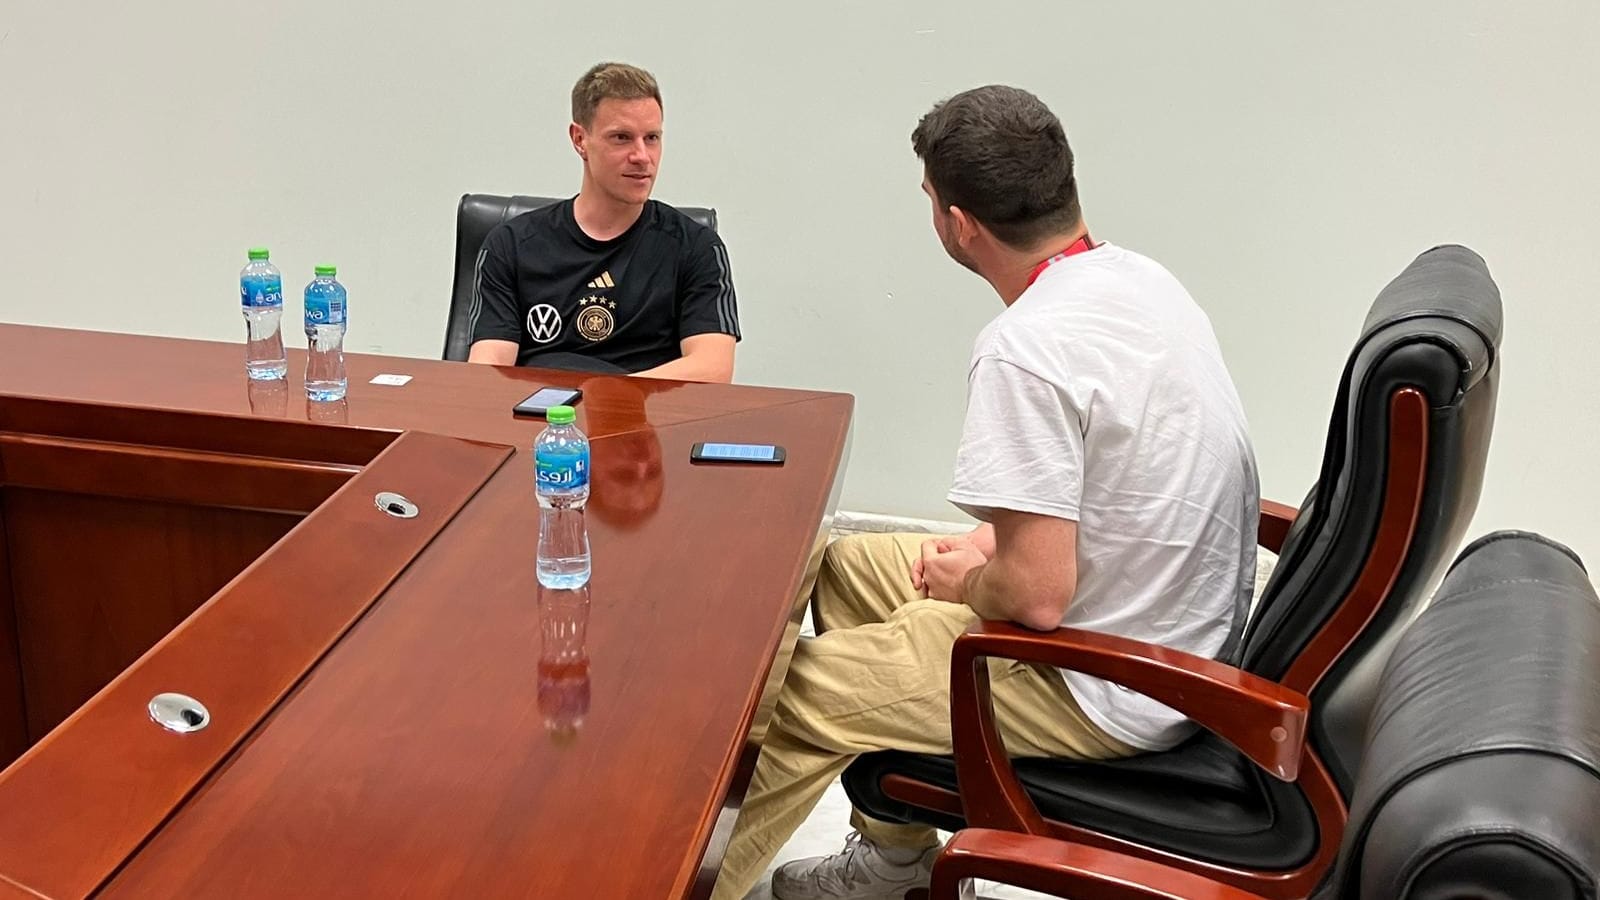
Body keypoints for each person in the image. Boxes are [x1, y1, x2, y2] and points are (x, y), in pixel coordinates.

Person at [712, 85, 1259, 900]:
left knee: (800, 690)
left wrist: (971, 578)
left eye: (932, 200)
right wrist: (986, 550)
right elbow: (1105, 496)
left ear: (958, 225)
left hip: (1108, 682)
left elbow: (1035, 597)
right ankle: (898, 865)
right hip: (1167, 622)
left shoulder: (1023, 348)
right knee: (848, 570)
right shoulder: (1141, 281)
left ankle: (698, 885)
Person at [466, 62, 739, 382]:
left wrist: (602, 398)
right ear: (580, 139)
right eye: (622, 138)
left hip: (646, 421)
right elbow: (486, 372)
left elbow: (713, 369)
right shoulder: (510, 243)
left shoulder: (696, 247)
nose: (642, 156)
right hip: (536, 422)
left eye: (651, 138)